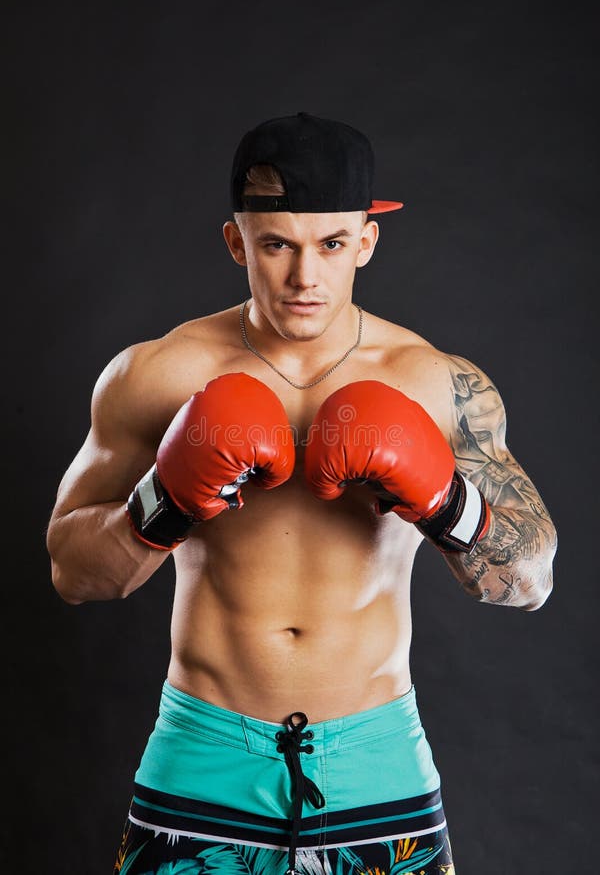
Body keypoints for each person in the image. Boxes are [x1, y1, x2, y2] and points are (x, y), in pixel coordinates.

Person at [46, 112, 557, 875]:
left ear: (368, 241)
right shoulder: (157, 374)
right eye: (277, 244)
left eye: (331, 245)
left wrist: (444, 497)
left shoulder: (433, 381)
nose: (304, 277)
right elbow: (73, 574)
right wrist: (166, 498)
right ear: (235, 242)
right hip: (202, 754)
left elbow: (530, 581)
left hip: (378, 762)